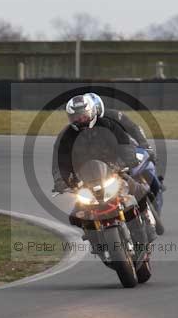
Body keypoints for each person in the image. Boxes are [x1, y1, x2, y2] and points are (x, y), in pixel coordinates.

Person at [51, 93, 162, 241]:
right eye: (76, 117)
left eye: (83, 115)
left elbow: (124, 143)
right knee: (75, 216)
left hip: (112, 169)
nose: (80, 119)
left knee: (137, 189)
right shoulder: (65, 136)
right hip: (85, 177)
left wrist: (128, 160)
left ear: (91, 112)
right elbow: (58, 162)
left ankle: (146, 219)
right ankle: (93, 234)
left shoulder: (108, 123)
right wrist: (60, 181)